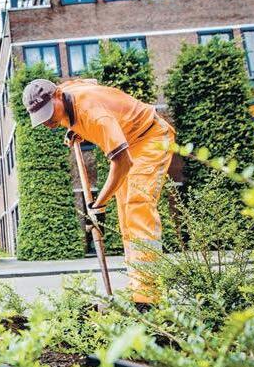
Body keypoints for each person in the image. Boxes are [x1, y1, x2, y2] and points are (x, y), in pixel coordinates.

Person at [22, 77, 175, 304]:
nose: (48, 122)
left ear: (57, 96)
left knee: (137, 206)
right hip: (129, 140)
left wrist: (99, 204)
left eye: (49, 113)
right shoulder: (67, 91)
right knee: (126, 218)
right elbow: (90, 82)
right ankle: (139, 288)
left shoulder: (94, 115)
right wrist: (75, 128)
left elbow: (122, 162)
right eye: (41, 117)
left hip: (149, 137)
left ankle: (148, 299)